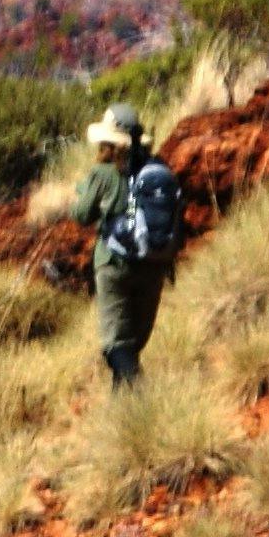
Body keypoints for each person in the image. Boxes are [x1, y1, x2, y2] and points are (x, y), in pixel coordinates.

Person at [68, 103, 184, 386]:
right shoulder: (157, 169)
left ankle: (144, 395)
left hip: (113, 264)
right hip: (154, 265)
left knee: (115, 346)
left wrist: (83, 191)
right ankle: (124, 415)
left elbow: (82, 215)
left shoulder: (103, 174)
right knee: (133, 346)